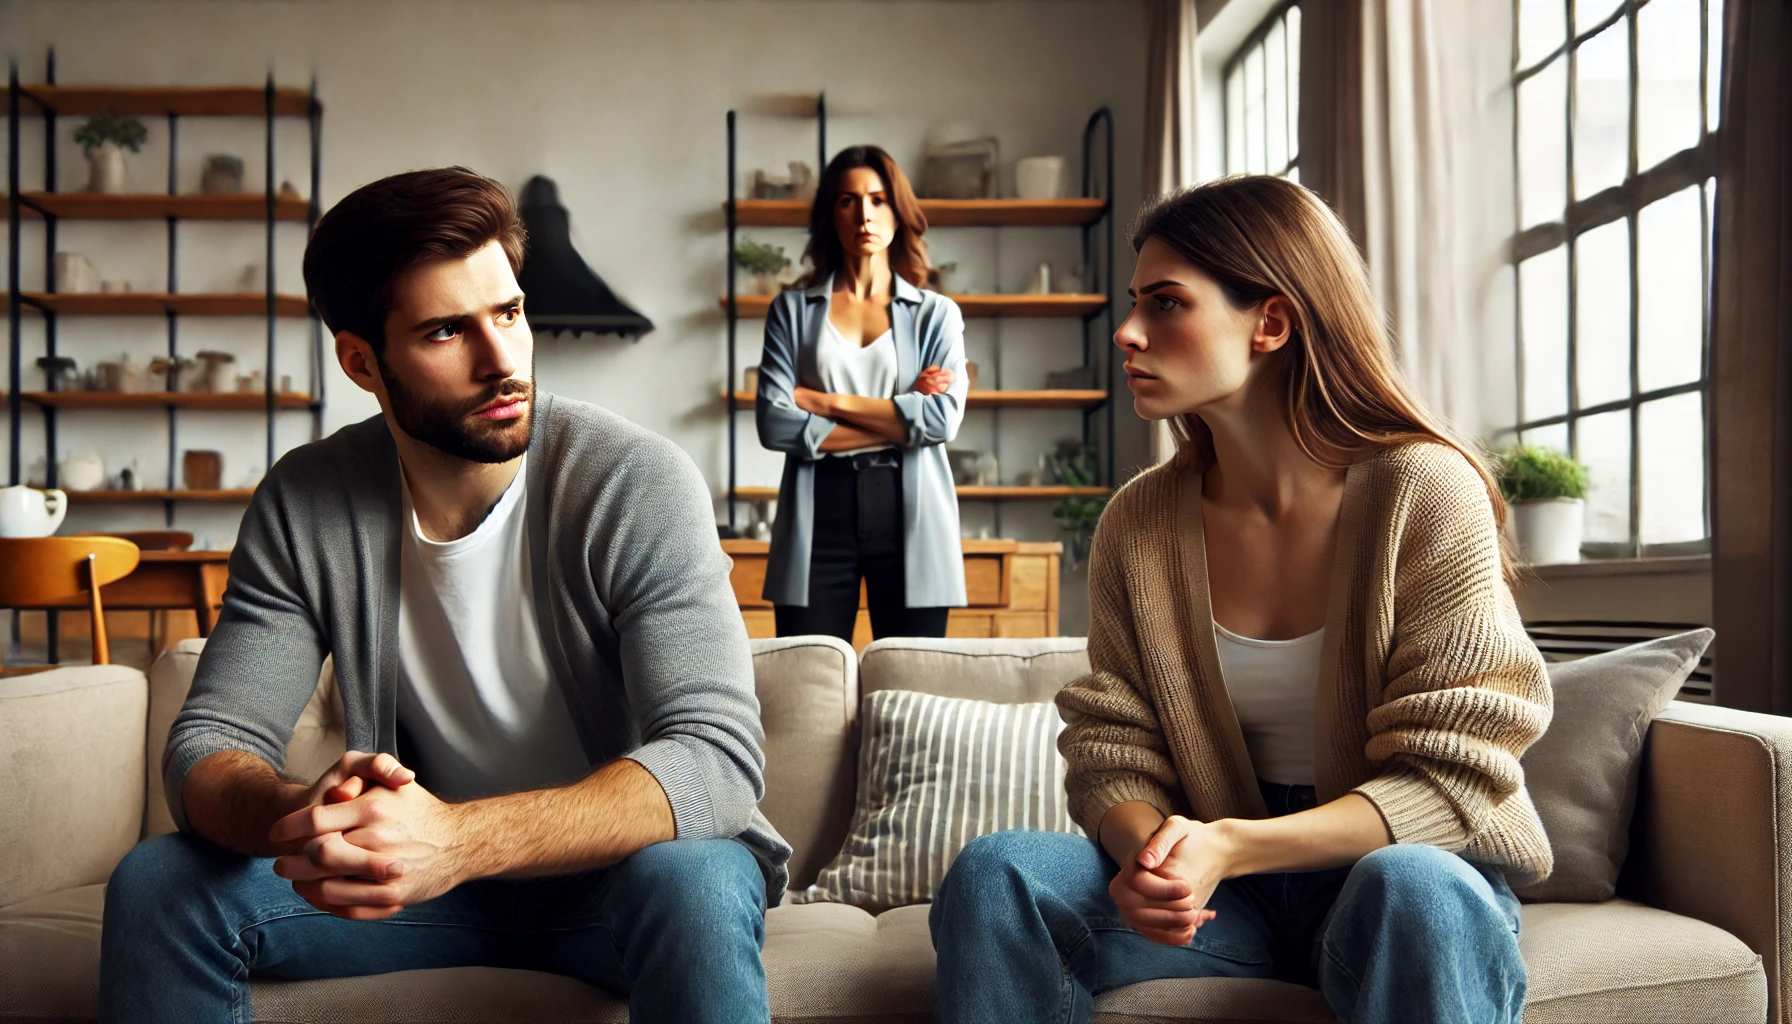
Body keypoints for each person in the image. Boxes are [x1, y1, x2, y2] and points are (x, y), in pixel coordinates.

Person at [98, 167, 789, 1024]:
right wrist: (297, 815)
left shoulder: (635, 482)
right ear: (362, 361)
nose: (503, 361)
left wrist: (459, 841)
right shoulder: (308, 501)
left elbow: (716, 758)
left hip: (622, 881)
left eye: (509, 313)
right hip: (414, 889)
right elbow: (211, 743)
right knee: (162, 881)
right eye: (444, 332)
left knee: (694, 875)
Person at [930, 175, 1553, 1024]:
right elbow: (1113, 742)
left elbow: (1451, 774)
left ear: (1271, 321)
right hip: (1225, 899)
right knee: (996, 871)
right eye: (1133, 301)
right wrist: (1150, 857)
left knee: (1418, 888)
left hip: (1396, 871)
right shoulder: (1138, 524)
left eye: (1166, 304)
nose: (1128, 330)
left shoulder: (1425, 490)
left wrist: (1233, 846)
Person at [755, 145, 968, 643]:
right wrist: (900, 416)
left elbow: (941, 421)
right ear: (832, 213)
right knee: (808, 683)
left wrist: (823, 401)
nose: (865, 214)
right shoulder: (791, 310)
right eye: (848, 200)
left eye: (878, 199)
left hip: (910, 511)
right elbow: (774, 422)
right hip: (817, 513)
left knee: (913, 684)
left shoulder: (936, 314)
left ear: (898, 211)